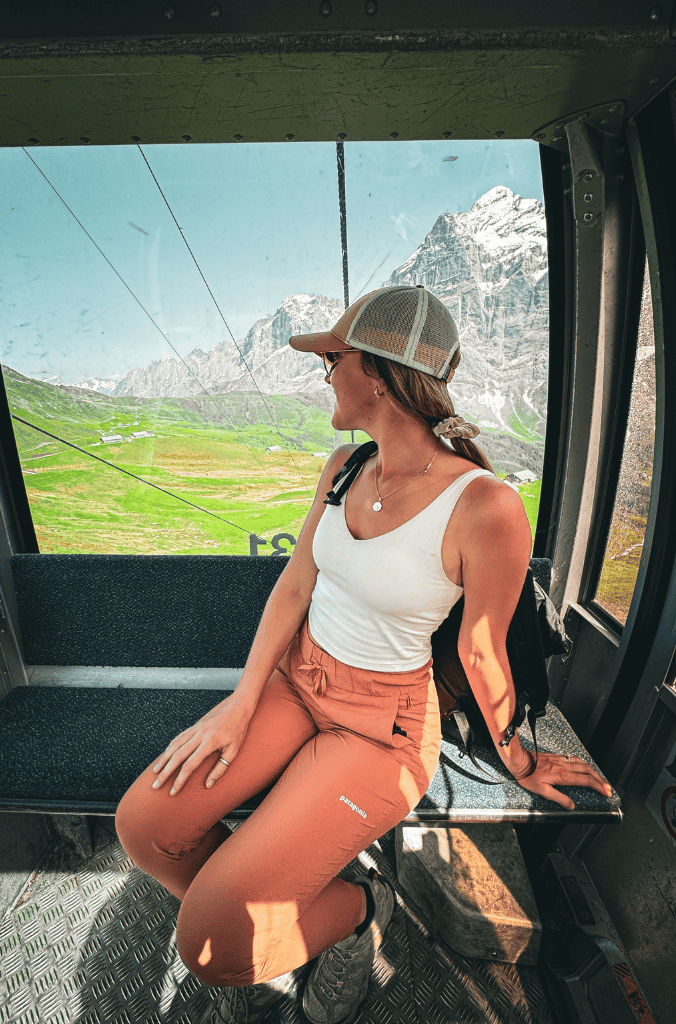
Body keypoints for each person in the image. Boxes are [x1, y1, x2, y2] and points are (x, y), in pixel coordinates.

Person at [115, 285, 612, 1024]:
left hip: (381, 726)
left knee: (211, 952)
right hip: (296, 684)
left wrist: (520, 759)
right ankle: (274, 904)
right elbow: (294, 587)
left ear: (375, 373)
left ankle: (357, 911)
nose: (324, 376)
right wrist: (240, 700)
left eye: (332, 360)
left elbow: (482, 651)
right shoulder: (346, 464)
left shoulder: (484, 506)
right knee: (145, 827)